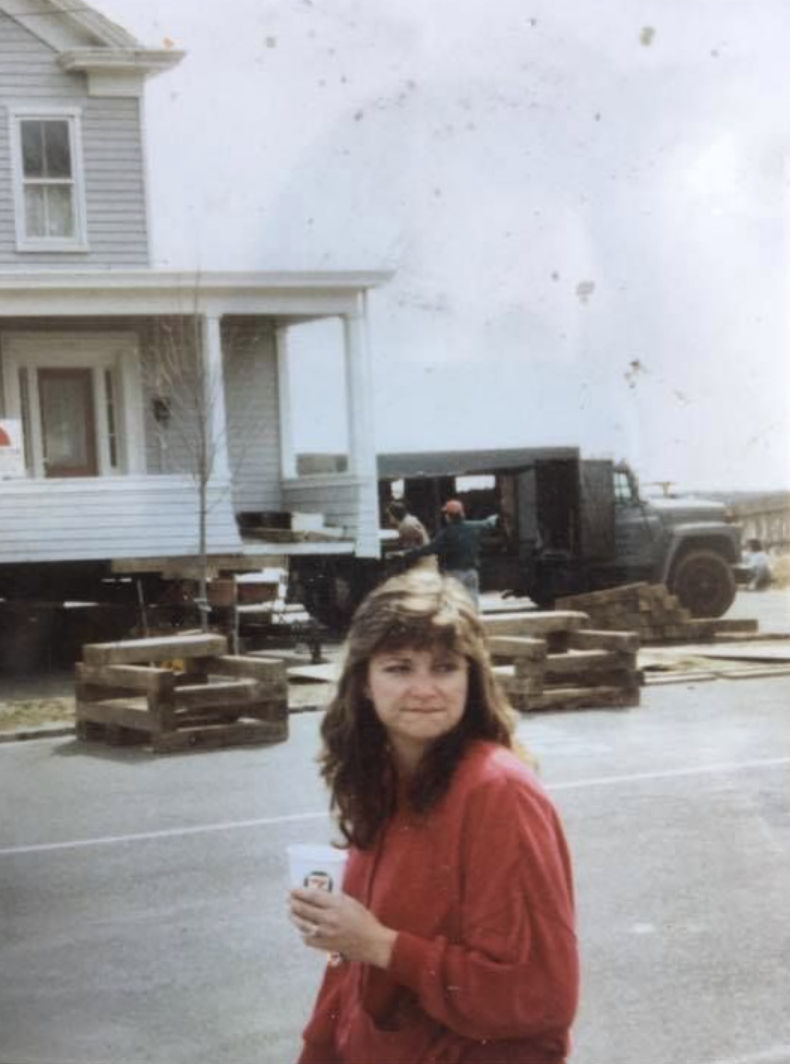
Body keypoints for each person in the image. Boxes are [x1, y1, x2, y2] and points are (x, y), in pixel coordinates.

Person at [288, 569, 579, 1064]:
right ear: (362, 682)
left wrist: (381, 945)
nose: (424, 689)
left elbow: (541, 995)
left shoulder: (498, 792)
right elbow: (348, 968)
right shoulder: (380, 782)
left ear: (472, 677)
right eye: (399, 668)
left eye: (444, 668)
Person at [399, 498, 498, 608]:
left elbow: (429, 549)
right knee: (472, 604)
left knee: (453, 605)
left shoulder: (446, 533)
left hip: (454, 574)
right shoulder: (475, 526)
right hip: (471, 572)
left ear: (447, 517)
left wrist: (407, 554)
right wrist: (496, 516)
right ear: (462, 513)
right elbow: (490, 522)